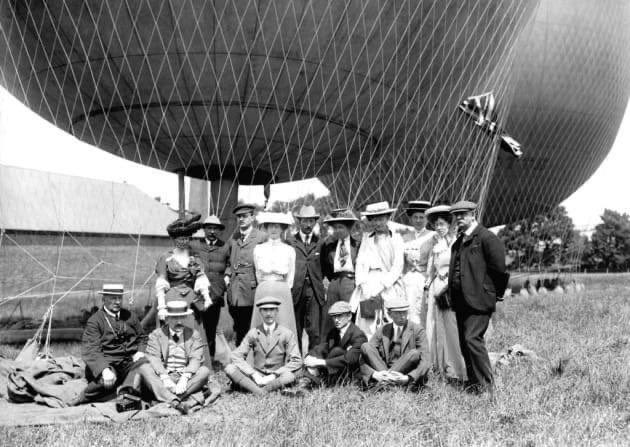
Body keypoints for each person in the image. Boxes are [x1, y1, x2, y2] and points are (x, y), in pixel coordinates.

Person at [448, 200, 508, 394]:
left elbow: (499, 269)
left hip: (479, 299)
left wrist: (494, 294)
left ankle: (488, 388)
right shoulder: (458, 242)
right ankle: (474, 385)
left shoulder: (487, 238)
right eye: (456, 215)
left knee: (472, 338)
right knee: (465, 343)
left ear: (473, 214)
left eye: (463, 214)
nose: (459, 218)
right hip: (460, 301)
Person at [81, 284, 149, 402]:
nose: (117, 302)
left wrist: (140, 352)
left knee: (145, 367)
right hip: (109, 364)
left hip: (129, 363)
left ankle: (126, 393)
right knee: (105, 382)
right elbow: (91, 349)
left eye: (119, 298)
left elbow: (142, 338)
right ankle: (81, 397)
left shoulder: (130, 316)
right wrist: (104, 370)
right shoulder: (95, 321)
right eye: (113, 298)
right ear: (104, 299)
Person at [225, 296, 303, 395]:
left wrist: (274, 375)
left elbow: (297, 360)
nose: (269, 313)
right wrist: (253, 374)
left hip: (276, 376)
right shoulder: (253, 333)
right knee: (230, 368)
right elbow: (236, 355)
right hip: (257, 376)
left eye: (272, 310)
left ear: (277, 311)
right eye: (265, 310)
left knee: (289, 376)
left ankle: (256, 390)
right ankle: (264, 391)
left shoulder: (286, 333)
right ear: (260, 312)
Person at [144, 301, 213, 413]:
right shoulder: (156, 334)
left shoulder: (194, 334)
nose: (179, 321)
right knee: (145, 369)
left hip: (186, 378)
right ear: (167, 318)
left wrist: (185, 378)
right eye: (175, 318)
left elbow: (196, 358)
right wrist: (165, 377)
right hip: (165, 377)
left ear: (186, 316)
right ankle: (178, 400)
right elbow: (153, 357)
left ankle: (170, 400)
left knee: (204, 371)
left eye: (182, 317)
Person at [350, 201, 406, 339]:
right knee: (367, 323)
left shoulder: (396, 238)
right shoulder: (366, 238)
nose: (377, 223)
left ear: (387, 218)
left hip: (388, 284)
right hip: (368, 284)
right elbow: (360, 263)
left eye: (380, 219)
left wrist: (382, 286)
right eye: (374, 219)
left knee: (389, 321)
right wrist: (363, 285)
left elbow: (398, 266)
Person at [423, 205, 466, 381]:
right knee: (435, 325)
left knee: (451, 326)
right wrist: (427, 287)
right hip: (436, 286)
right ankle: (438, 365)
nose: (439, 228)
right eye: (436, 225)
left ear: (449, 225)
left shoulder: (457, 242)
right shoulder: (436, 244)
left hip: (450, 286)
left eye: (442, 224)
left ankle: (454, 366)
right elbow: (430, 269)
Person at [360, 297, 430, 389]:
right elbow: (364, 357)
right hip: (383, 368)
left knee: (414, 353)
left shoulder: (418, 330)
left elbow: (426, 360)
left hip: (405, 373)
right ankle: (390, 383)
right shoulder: (383, 330)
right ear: (389, 314)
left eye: (404, 312)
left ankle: (385, 384)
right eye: (398, 313)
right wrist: (374, 374)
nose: (402, 316)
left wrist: (408, 377)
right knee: (365, 346)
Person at [251, 212, 298, 339]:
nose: (273, 229)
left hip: (282, 290)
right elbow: (257, 273)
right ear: (266, 228)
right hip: (264, 288)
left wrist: (282, 287)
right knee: (262, 325)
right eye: (270, 226)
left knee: (283, 323)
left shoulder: (289, 250)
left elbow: (290, 277)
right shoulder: (258, 249)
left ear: (282, 229)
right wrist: (266, 284)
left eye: (277, 226)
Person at [225, 204, 267, 345]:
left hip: (251, 289)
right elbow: (227, 260)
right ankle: (240, 357)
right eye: (239, 217)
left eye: (245, 216)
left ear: (252, 217)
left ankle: (252, 358)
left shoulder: (261, 237)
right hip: (234, 290)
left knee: (251, 325)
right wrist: (227, 275)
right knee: (238, 326)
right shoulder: (233, 238)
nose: (241, 219)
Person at [190, 214, 230, 362]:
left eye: (215, 229)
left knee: (211, 328)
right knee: (196, 327)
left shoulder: (225, 246)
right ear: (204, 229)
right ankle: (195, 357)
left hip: (215, 293)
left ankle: (210, 359)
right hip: (197, 293)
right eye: (209, 228)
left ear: (219, 231)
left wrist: (226, 277)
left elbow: (230, 265)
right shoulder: (195, 245)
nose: (212, 231)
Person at [287, 205, 326, 351]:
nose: (308, 224)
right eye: (305, 221)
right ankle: (295, 363)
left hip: (315, 291)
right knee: (294, 328)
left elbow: (326, 267)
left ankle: (312, 365)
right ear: (299, 222)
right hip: (296, 290)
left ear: (315, 222)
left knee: (315, 330)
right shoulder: (290, 242)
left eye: (311, 221)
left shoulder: (321, 243)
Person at [302, 301, 367, 386]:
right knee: (320, 352)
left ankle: (313, 380)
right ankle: (310, 380)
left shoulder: (358, 335)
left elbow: (349, 359)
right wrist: (310, 357)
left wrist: (320, 362)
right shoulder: (334, 332)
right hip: (334, 370)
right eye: (334, 317)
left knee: (336, 350)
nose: (336, 320)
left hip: (350, 376)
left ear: (349, 316)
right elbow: (324, 347)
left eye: (339, 316)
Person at [320, 209, 361, 334]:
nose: (338, 230)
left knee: (348, 313)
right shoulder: (328, 246)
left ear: (349, 228)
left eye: (341, 227)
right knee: (331, 315)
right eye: (335, 228)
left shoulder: (358, 245)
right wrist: (333, 280)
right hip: (335, 282)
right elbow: (325, 266)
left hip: (350, 282)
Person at [401, 200, 435, 326]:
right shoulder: (404, 237)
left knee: (421, 312)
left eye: (422, 217)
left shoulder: (433, 236)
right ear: (411, 219)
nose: (419, 220)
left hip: (423, 279)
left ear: (427, 219)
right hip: (407, 279)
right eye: (415, 217)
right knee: (407, 310)